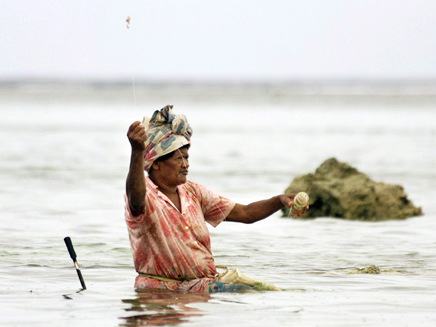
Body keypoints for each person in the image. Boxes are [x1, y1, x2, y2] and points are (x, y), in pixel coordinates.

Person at [124, 105, 307, 293]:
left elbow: (246, 213)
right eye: (179, 159)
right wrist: (137, 152)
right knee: (246, 292)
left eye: (187, 158)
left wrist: (279, 200)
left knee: (267, 291)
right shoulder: (146, 195)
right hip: (160, 291)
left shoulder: (193, 192)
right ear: (156, 164)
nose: (186, 165)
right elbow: (136, 200)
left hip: (199, 288)